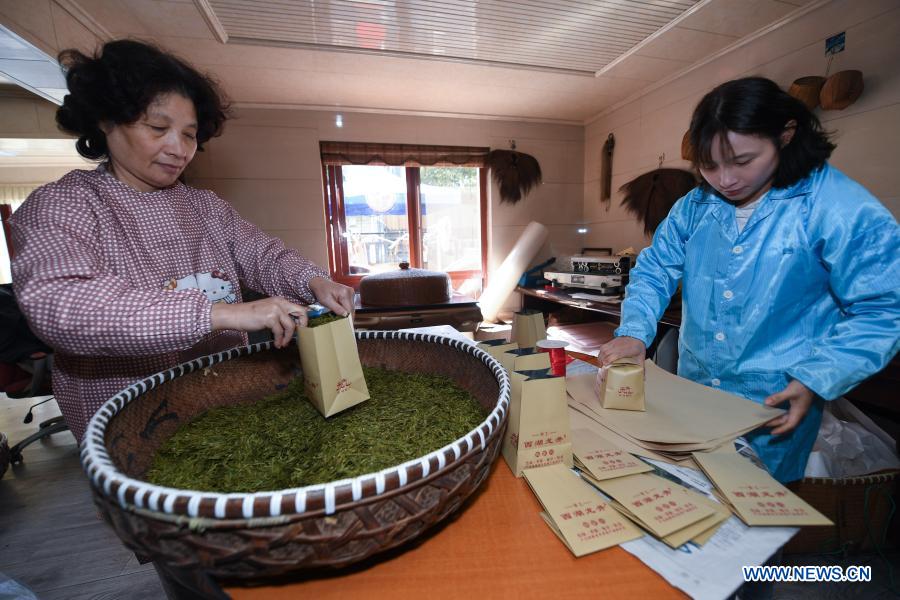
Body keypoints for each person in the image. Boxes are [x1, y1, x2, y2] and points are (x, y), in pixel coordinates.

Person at [10, 40, 355, 443]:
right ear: (106, 121)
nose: (178, 149)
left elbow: (264, 256)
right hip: (130, 416)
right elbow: (63, 306)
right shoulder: (64, 204)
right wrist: (222, 314)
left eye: (189, 135)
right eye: (158, 128)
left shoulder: (205, 207)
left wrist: (314, 282)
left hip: (225, 398)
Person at [598, 77, 899, 483]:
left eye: (742, 161)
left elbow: (883, 307)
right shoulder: (695, 205)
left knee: (761, 509)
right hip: (696, 389)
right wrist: (635, 331)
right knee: (691, 493)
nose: (724, 180)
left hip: (777, 402)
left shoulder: (835, 205)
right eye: (709, 165)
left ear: (786, 135)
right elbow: (655, 269)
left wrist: (819, 374)